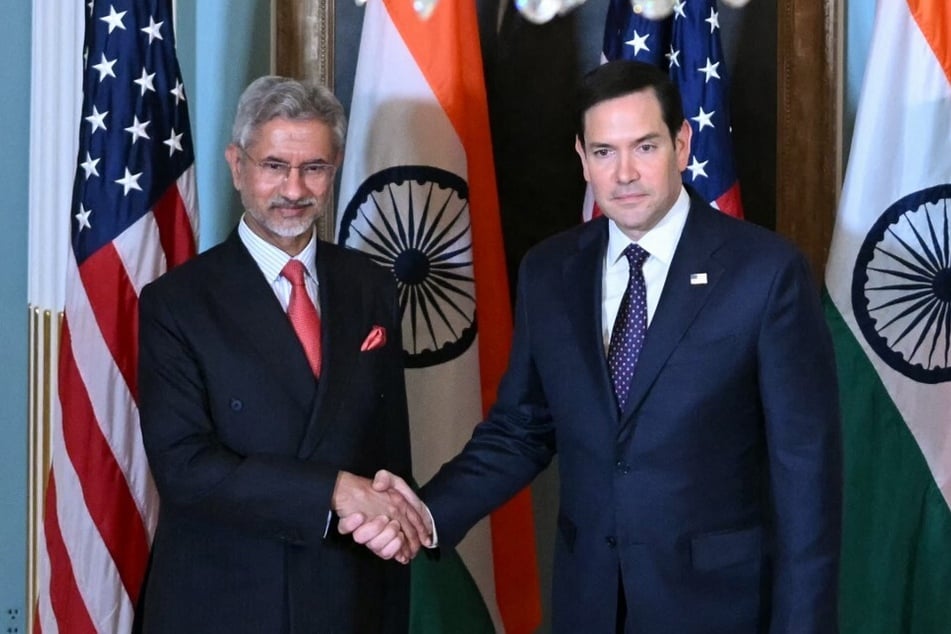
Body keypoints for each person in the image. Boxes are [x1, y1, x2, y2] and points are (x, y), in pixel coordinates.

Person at [367, 60, 842, 633]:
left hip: (720, 607)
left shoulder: (765, 274)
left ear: (682, 143)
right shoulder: (549, 272)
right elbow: (522, 428)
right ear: (581, 158)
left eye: (644, 147)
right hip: (589, 601)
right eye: (603, 152)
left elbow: (806, 477)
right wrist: (424, 511)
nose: (625, 174)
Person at [136, 76, 429, 634]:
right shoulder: (176, 303)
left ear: (336, 166)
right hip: (225, 602)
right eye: (274, 165)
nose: (294, 189)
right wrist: (333, 491)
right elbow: (184, 468)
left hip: (350, 597)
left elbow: (390, 449)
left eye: (313, 168)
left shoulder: (370, 285)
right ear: (237, 165)